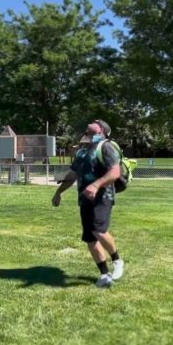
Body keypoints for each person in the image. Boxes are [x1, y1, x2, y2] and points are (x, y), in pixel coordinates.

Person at [52, 119, 125, 288]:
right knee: (90, 238)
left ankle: (117, 260)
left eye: (95, 122)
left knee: (98, 230)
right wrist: (58, 193)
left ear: (101, 130)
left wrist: (96, 184)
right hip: (84, 199)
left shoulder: (106, 146)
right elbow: (71, 176)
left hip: (102, 197)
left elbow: (115, 172)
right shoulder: (82, 152)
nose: (91, 122)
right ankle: (104, 275)